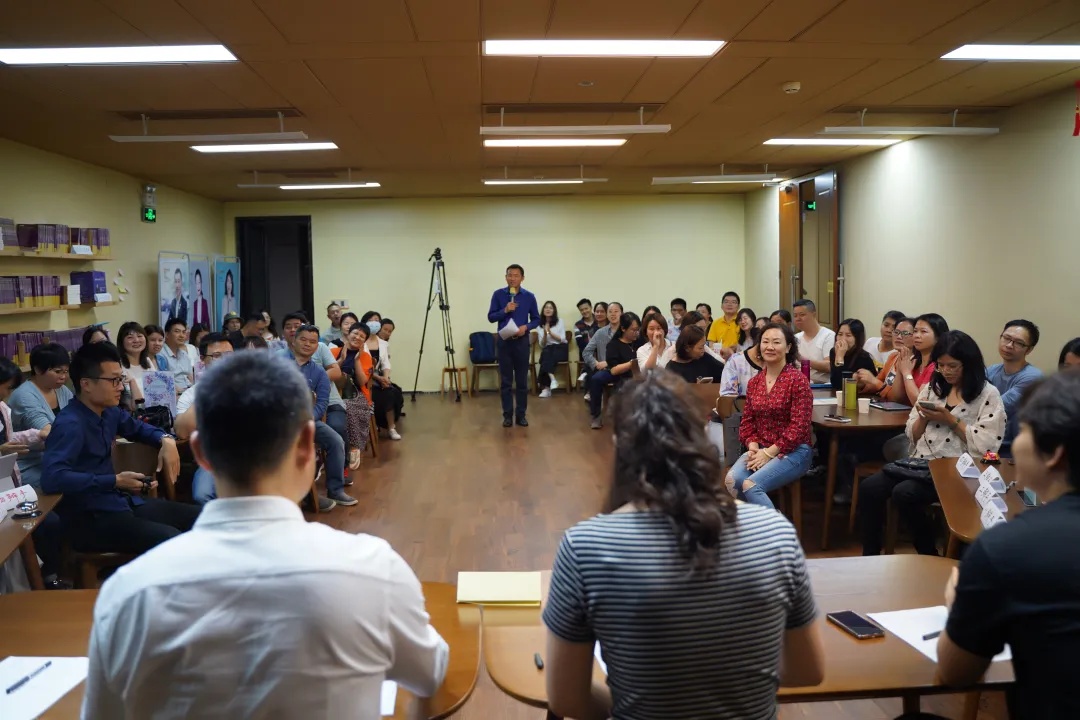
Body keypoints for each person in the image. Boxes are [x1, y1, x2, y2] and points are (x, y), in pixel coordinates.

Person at [81, 351, 449, 719]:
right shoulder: (371, 569)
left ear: (201, 452)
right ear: (306, 445)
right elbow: (430, 673)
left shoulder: (129, 592)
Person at [543, 372, 824, 720]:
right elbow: (808, 671)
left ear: (619, 445)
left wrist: (639, 700)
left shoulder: (584, 546)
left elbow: (566, 699)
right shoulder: (775, 532)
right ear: (703, 439)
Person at [936, 371, 1080, 718]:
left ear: (1054, 454)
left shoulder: (1007, 549)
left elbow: (956, 673)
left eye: (1024, 430)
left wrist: (958, 601)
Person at [40, 342, 199, 555]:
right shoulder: (70, 424)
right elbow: (52, 478)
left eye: (121, 379)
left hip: (118, 502)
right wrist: (115, 481)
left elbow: (140, 429)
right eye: (114, 380)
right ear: (86, 384)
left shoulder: (109, 411)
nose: (121, 387)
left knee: (200, 517)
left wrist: (166, 439)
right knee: (171, 539)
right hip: (91, 518)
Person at [859, 330, 1005, 556]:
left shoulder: (988, 395)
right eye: (941, 365)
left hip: (957, 469)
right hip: (919, 463)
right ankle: (870, 554)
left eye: (952, 366)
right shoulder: (933, 388)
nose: (946, 371)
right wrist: (923, 418)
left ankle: (927, 551)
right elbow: (912, 434)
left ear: (969, 364)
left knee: (904, 493)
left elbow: (987, 445)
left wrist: (950, 419)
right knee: (870, 488)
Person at [725, 323, 814, 509]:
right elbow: (747, 422)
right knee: (732, 481)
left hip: (794, 451)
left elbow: (799, 427)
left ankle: (775, 527)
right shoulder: (755, 382)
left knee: (752, 486)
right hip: (760, 448)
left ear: (788, 347)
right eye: (765, 342)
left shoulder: (798, 380)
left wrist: (768, 453)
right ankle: (757, 522)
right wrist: (753, 447)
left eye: (776, 342)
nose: (770, 347)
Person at [0, 357, 66, 590]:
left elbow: (10, 439)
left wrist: (37, 435)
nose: (8, 394)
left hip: (8, 486)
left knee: (48, 522)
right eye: (7, 388)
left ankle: (46, 576)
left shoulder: (2, 408)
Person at [289, 325, 357, 509]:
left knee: (336, 441)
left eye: (312, 342)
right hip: (281, 423)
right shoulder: (278, 367)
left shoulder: (319, 373)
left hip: (308, 421)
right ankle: (302, 495)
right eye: (303, 339)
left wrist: (308, 419)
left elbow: (322, 403)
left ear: (317, 346)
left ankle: (335, 490)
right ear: (294, 341)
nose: (307, 344)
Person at [173, 333, 235, 504]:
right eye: (217, 356)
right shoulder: (192, 394)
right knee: (202, 494)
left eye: (229, 355)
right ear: (202, 360)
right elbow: (182, 431)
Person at [8, 343, 74, 490]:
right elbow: (48, 433)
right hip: (29, 465)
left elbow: (77, 419)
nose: (63, 376)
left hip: (58, 459)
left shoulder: (62, 390)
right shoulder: (24, 396)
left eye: (66, 371)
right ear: (38, 369)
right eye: (57, 371)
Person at [487, 264, 540, 428]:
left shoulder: (529, 297)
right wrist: (505, 310)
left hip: (521, 342)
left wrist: (526, 327)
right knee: (506, 381)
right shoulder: (498, 294)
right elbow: (491, 317)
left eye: (516, 276)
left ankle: (521, 415)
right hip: (504, 342)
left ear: (522, 278)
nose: (512, 278)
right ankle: (507, 415)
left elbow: (537, 319)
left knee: (522, 381)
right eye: (510, 275)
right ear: (506, 277)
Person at [986, 319, 1043, 456]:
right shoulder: (991, 370)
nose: (1009, 345)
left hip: (1012, 452)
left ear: (1029, 349)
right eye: (1006, 338)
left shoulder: (1033, 377)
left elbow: (997, 408)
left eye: (1019, 343)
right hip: (986, 444)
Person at [588, 312, 640, 430]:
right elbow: (614, 369)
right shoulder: (614, 344)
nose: (636, 333)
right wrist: (631, 363)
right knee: (596, 379)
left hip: (636, 372)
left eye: (638, 330)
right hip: (616, 371)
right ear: (623, 329)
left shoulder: (640, 341)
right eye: (633, 330)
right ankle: (596, 415)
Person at [335, 321, 376, 470]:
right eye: (355, 333)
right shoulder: (333, 351)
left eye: (362, 336)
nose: (358, 337)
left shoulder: (365, 357)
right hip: (333, 392)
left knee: (347, 407)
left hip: (356, 394)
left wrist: (357, 360)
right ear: (348, 334)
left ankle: (353, 447)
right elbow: (326, 374)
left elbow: (362, 381)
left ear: (364, 341)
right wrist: (341, 359)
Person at [890, 313, 949, 406]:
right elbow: (895, 398)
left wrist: (906, 373)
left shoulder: (936, 366)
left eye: (923, 331)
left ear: (938, 337)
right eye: (915, 331)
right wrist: (900, 369)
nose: (917, 335)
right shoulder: (913, 361)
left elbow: (920, 403)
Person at [854, 317, 916, 401]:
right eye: (896, 332)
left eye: (905, 333)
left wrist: (875, 382)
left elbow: (896, 398)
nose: (899, 336)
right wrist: (862, 384)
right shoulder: (893, 357)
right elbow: (877, 384)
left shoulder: (915, 362)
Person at [581, 302, 622, 405]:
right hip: (606, 370)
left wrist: (608, 362)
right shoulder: (600, 333)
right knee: (595, 379)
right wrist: (595, 363)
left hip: (624, 368)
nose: (613, 314)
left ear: (621, 313)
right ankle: (595, 412)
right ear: (607, 314)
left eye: (616, 311)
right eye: (610, 312)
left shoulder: (626, 331)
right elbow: (586, 352)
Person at [792, 299, 835, 384]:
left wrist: (802, 359)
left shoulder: (828, 336)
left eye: (802, 315)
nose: (798, 319)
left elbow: (829, 366)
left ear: (814, 314)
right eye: (795, 316)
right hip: (799, 384)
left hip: (822, 385)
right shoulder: (796, 338)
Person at [829, 318, 877, 391]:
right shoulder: (834, 351)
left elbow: (842, 385)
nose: (843, 339)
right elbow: (835, 383)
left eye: (848, 335)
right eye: (840, 334)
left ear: (857, 338)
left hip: (859, 395)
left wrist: (839, 357)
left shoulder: (864, 357)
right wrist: (839, 356)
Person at [535, 300, 568, 398]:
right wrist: (545, 334)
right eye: (546, 307)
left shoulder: (559, 321)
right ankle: (552, 380)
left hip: (561, 348)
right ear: (543, 310)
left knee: (544, 358)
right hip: (548, 349)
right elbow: (542, 344)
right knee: (546, 352)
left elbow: (562, 339)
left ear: (554, 311)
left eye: (550, 308)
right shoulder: (539, 325)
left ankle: (546, 388)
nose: (548, 309)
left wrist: (549, 332)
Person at [719, 328, 763, 398]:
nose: (770, 347)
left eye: (776, 342)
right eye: (766, 341)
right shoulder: (735, 361)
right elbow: (727, 397)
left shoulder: (780, 365)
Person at [117, 321, 154, 401]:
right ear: (121, 342)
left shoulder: (148, 361)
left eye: (139, 336)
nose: (136, 340)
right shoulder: (118, 366)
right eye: (130, 337)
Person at [161, 317, 197, 392]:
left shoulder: (184, 354)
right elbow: (163, 381)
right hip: (174, 393)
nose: (181, 335)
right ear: (166, 334)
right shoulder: (161, 354)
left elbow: (190, 377)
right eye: (177, 331)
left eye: (184, 332)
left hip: (188, 392)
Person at [707, 291, 742, 359]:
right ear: (721, 306)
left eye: (733, 302)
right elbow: (711, 344)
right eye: (726, 302)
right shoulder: (715, 323)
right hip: (719, 357)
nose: (729, 304)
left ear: (738, 306)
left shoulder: (742, 322)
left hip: (738, 357)